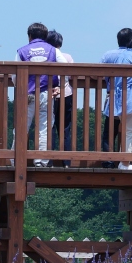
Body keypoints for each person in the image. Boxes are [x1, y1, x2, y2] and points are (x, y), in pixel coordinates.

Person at [99, 29, 132, 168]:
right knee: (129, 130)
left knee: (109, 131)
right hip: (130, 100)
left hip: (114, 98)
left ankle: (109, 160)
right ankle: (125, 162)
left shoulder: (118, 56)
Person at [15, 22, 59, 167]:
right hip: (46, 93)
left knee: (22, 126)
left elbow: (14, 76)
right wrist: (57, 86)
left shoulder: (22, 51)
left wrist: (20, 87)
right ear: (45, 37)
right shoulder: (53, 50)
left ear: (29, 36)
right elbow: (66, 67)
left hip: (27, 94)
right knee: (44, 128)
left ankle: (16, 159)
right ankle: (41, 160)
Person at [47, 29, 75, 163]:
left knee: (49, 127)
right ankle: (66, 161)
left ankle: (49, 161)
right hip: (66, 94)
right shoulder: (67, 57)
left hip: (49, 95)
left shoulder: (46, 56)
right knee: (65, 128)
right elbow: (72, 75)